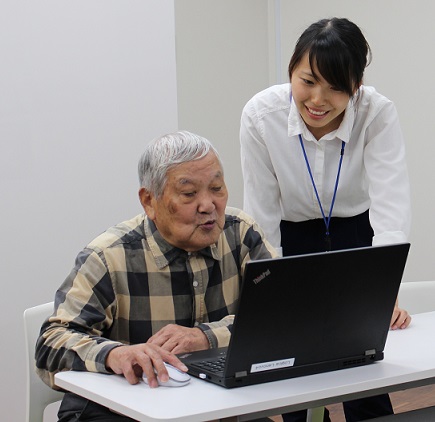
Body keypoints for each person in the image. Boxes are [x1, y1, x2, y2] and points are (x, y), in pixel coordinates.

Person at [35, 130, 277, 422]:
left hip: (217, 406)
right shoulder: (110, 256)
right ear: (149, 201)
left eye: (217, 188)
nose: (208, 205)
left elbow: (287, 314)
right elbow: (51, 344)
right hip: (124, 409)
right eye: (189, 194)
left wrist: (205, 337)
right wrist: (114, 355)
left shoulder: (241, 234)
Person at [240, 17, 411, 422]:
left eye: (336, 87)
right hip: (290, 234)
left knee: (364, 363)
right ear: (291, 71)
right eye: (308, 81)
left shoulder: (376, 113)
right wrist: (267, 290)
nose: (318, 99)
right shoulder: (261, 114)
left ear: (356, 85)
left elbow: (391, 203)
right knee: (286, 365)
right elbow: (261, 212)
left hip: (355, 232)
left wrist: (384, 285)